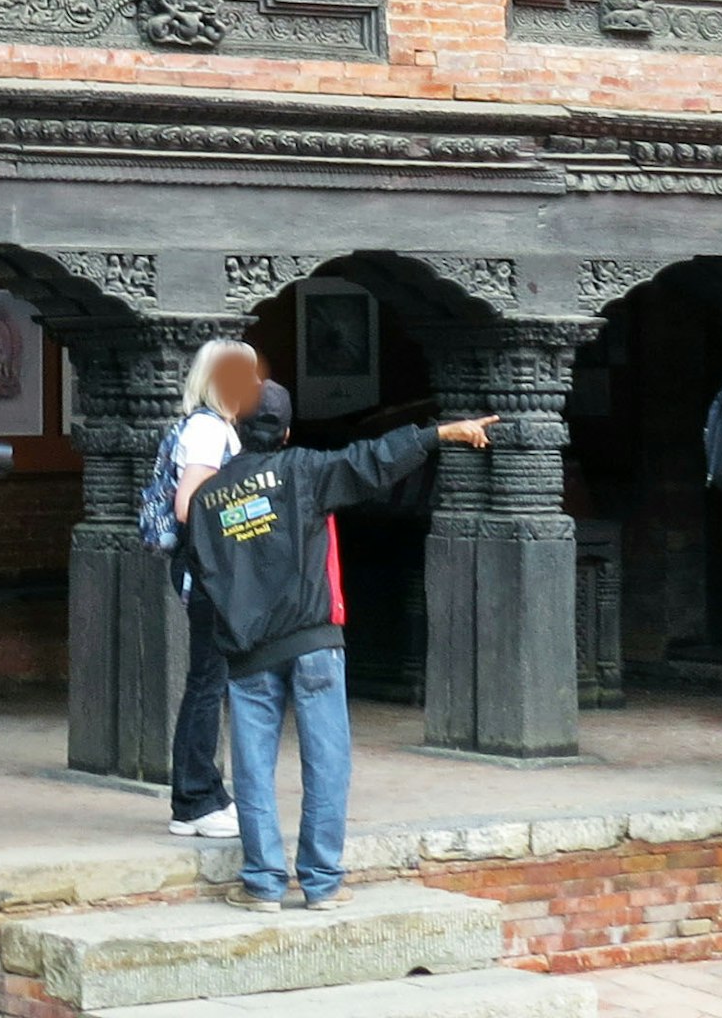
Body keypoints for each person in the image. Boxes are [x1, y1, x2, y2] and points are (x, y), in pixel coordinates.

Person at [176, 348, 490, 911]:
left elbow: (203, 573)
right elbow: (374, 458)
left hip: (248, 649)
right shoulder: (306, 471)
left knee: (251, 767)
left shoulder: (208, 499)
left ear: (236, 429)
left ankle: (264, 885)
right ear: (289, 430)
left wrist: (239, 623)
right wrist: (441, 433)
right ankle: (321, 884)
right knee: (327, 759)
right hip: (314, 639)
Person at [147, 339, 268, 841]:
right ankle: (194, 800)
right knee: (206, 684)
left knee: (210, 681)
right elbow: (188, 504)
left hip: (210, 570)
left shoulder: (214, 428)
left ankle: (205, 794)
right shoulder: (206, 429)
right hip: (208, 571)